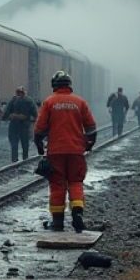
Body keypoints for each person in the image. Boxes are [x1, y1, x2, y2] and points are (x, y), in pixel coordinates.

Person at [35, 70, 97, 232]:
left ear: (54, 85)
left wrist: (39, 145)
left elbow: (39, 128)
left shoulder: (49, 102)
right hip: (76, 151)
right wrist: (89, 144)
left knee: (57, 185)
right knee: (76, 182)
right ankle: (77, 212)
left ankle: (57, 222)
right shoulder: (80, 102)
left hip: (55, 152)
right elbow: (91, 127)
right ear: (69, 85)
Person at [2, 86, 37, 162]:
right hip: (24, 125)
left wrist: (7, 117)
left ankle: (14, 160)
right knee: (25, 143)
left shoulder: (13, 100)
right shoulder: (29, 100)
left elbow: (6, 112)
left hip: (14, 125)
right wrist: (33, 119)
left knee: (14, 143)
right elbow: (35, 113)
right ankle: (25, 159)